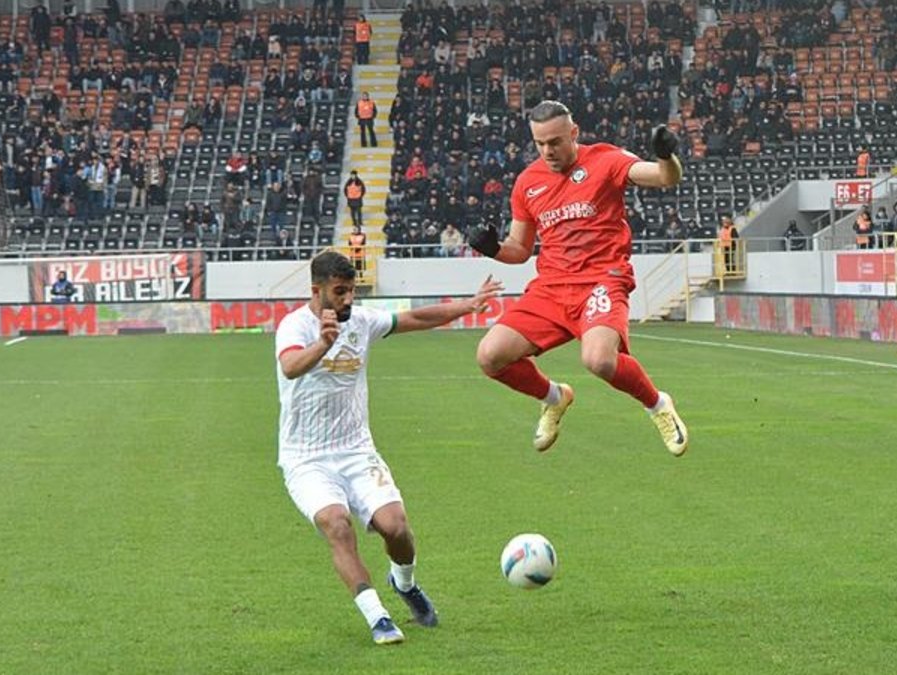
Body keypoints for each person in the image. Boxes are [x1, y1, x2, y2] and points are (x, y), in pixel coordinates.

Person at [274, 251, 501, 645]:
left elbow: (415, 319)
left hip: (357, 451)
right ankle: (378, 617)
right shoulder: (294, 326)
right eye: (339, 292)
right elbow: (291, 366)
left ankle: (405, 584)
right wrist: (323, 344)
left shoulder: (361, 321)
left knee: (396, 529)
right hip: (305, 457)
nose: (347, 300)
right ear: (317, 290)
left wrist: (468, 305)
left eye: (352, 291)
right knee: (337, 524)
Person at [466, 100, 689, 456]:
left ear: (574, 133)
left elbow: (665, 177)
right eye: (539, 144)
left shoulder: (606, 160)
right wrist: (491, 248)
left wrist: (666, 156)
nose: (547, 151)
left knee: (599, 360)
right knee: (489, 356)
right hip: (552, 288)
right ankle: (554, 398)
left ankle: (658, 404)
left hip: (603, 278)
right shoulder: (528, 183)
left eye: (555, 141)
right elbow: (520, 249)